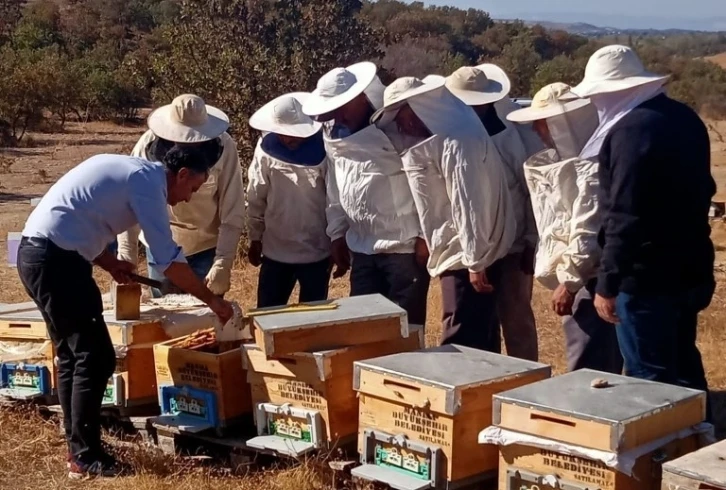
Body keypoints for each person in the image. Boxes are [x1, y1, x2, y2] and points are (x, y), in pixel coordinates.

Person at [17, 149, 235, 479]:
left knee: (74, 355)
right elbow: (168, 260)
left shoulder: (134, 171)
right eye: (192, 189)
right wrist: (212, 301)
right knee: (96, 357)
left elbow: (80, 216)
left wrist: (108, 262)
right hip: (57, 262)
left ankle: (78, 444)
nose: (187, 198)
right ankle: (85, 455)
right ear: (182, 174)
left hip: (38, 254)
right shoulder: (146, 182)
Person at [573, 45, 715, 398]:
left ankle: (664, 451)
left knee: (648, 381)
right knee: (683, 364)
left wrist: (607, 283)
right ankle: (698, 441)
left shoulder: (630, 131)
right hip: (689, 268)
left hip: (645, 278)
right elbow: (703, 190)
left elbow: (624, 215)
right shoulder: (685, 118)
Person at [372, 76, 516, 352]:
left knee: (459, 335)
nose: (401, 125)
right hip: (468, 250)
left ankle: (456, 393)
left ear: (420, 107)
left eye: (401, 115)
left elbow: (468, 202)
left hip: (467, 256)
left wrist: (475, 261)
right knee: (481, 334)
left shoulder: (456, 141)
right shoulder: (451, 135)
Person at [302, 62, 430, 329]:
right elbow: (336, 186)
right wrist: (337, 233)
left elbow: (426, 183)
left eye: (342, 108)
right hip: (361, 246)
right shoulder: (333, 133)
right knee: (363, 329)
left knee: (405, 329)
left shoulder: (397, 127)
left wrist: (425, 235)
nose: (338, 116)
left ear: (360, 97)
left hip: (403, 247)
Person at [507, 82, 623, 374]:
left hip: (591, 278)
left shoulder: (592, 165)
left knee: (587, 363)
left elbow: (588, 229)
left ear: (561, 124)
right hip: (595, 275)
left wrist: (569, 283)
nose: (537, 131)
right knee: (602, 357)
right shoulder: (589, 158)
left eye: (542, 124)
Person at [443, 64, 544, 361]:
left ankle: (524, 384)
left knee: (515, 318)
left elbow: (531, 192)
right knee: (479, 322)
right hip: (473, 246)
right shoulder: (452, 135)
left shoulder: (513, 136)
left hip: (512, 245)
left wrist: (530, 240)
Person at [117, 94, 245, 297]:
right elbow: (130, 204)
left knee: (206, 319)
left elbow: (233, 206)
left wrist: (223, 262)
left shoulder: (225, 147)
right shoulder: (147, 145)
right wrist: (126, 257)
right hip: (161, 243)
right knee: (164, 319)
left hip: (205, 245)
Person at [247, 92, 331, 307]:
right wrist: (255, 237)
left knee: (313, 324)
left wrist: (338, 239)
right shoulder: (265, 148)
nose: (287, 138)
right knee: (267, 316)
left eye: (292, 133)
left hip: (317, 250)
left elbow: (336, 198)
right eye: (283, 133)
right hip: (275, 251)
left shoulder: (325, 147)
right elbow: (256, 194)